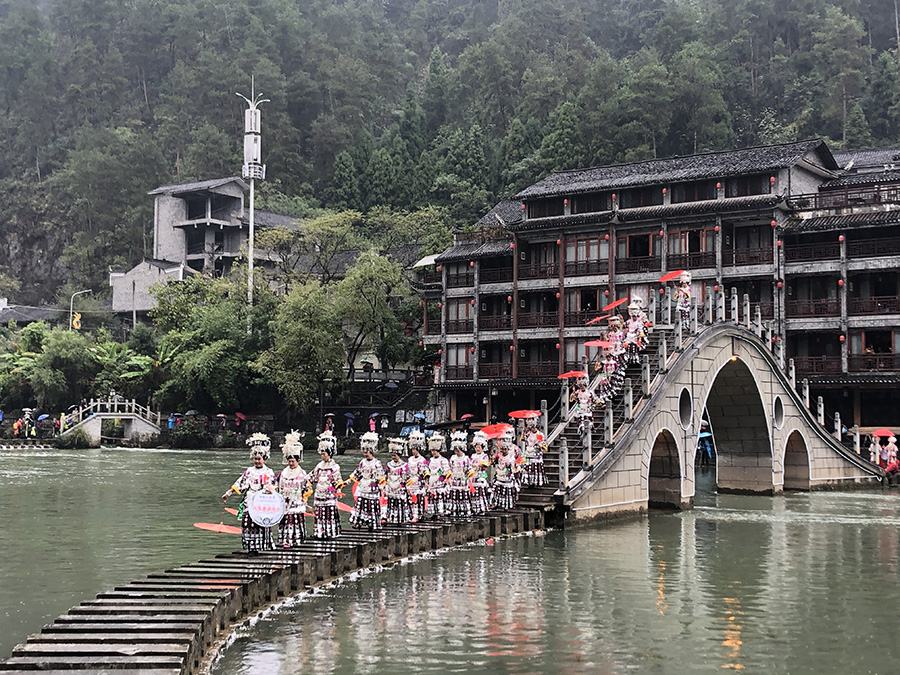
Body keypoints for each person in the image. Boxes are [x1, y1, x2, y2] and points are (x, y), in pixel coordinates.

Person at [222, 433, 277, 555]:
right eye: (255, 459)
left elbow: (273, 486)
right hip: (250, 500)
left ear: (265, 458)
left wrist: (270, 491)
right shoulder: (249, 471)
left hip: (262, 501)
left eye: (259, 459)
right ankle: (251, 547)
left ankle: (262, 546)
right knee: (248, 524)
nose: (257, 461)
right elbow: (239, 483)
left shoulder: (269, 472)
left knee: (260, 524)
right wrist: (228, 493)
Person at [275, 430, 311, 548]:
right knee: (285, 521)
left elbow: (308, 487)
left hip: (296, 501)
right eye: (289, 461)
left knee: (294, 520)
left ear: (297, 460)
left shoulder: (301, 473)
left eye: (293, 461)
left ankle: (295, 540)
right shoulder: (283, 473)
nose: (291, 463)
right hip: (285, 502)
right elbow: (275, 483)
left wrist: (305, 498)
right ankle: (284, 540)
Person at [310, 431, 342, 539]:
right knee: (319, 514)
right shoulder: (319, 466)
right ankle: (319, 532)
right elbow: (312, 478)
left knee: (329, 514)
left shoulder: (335, 467)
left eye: (324, 454)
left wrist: (333, 490)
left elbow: (337, 481)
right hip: (319, 494)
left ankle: (330, 532)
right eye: (321, 454)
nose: (322, 456)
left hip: (329, 495)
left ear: (329, 453)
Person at [349, 432, 385, 530]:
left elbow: (380, 477)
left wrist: (382, 487)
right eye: (364, 451)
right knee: (360, 505)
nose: (365, 453)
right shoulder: (362, 462)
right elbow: (357, 473)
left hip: (372, 488)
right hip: (363, 487)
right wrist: (348, 481)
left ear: (371, 451)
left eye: (367, 451)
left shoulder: (377, 463)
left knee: (371, 506)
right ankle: (358, 522)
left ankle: (372, 523)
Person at [384, 439, 411, 525]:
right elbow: (385, 475)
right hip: (391, 487)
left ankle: (401, 520)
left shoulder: (404, 465)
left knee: (400, 503)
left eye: (395, 455)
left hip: (400, 487)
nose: (393, 457)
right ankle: (391, 518)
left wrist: (408, 487)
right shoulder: (389, 465)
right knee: (391, 503)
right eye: (392, 455)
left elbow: (407, 477)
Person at [447, 431, 472, 518]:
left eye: (457, 450)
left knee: (462, 495)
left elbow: (469, 470)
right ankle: (454, 510)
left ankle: (464, 510)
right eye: (455, 450)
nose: (456, 451)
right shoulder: (453, 458)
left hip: (463, 480)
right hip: (454, 480)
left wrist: (469, 479)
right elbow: (450, 468)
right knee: (454, 495)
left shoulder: (466, 458)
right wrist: (449, 477)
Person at [425, 434, 450, 519]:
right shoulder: (430, 460)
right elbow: (427, 470)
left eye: (435, 450)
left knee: (439, 497)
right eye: (432, 450)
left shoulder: (443, 460)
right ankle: (432, 512)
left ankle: (440, 512)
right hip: (432, 481)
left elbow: (446, 471)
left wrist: (440, 478)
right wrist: (427, 481)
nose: (433, 452)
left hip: (439, 482)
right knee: (432, 498)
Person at [490, 441, 519, 510]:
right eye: (502, 449)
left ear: (508, 449)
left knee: (508, 490)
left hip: (507, 475)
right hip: (499, 474)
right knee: (496, 489)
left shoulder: (511, 457)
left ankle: (508, 504)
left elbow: (514, 467)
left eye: (505, 449)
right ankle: (496, 503)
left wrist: (509, 467)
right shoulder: (499, 456)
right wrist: (492, 457)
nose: (503, 451)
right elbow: (493, 463)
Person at [469, 431, 491, 515]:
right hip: (473, 476)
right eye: (476, 447)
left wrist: (476, 464)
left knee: (480, 493)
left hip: (480, 476)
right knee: (473, 494)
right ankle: (474, 508)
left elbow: (484, 464)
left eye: (479, 447)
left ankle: (482, 508)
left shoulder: (484, 456)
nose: (477, 449)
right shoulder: (473, 456)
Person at [406, 438, 428, 522]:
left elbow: (425, 472)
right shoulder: (410, 459)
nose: (413, 451)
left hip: (418, 481)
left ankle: (419, 515)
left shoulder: (422, 460)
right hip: (411, 481)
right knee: (411, 499)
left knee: (418, 499)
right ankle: (413, 514)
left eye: (414, 449)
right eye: (412, 449)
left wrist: (426, 482)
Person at [521, 418, 546, 487]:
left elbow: (543, 445)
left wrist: (539, 444)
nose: (532, 429)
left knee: (535, 467)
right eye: (531, 428)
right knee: (528, 467)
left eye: (533, 427)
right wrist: (524, 431)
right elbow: (523, 440)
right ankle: (529, 481)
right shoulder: (528, 434)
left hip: (536, 452)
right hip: (529, 451)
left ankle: (536, 481)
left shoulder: (539, 434)